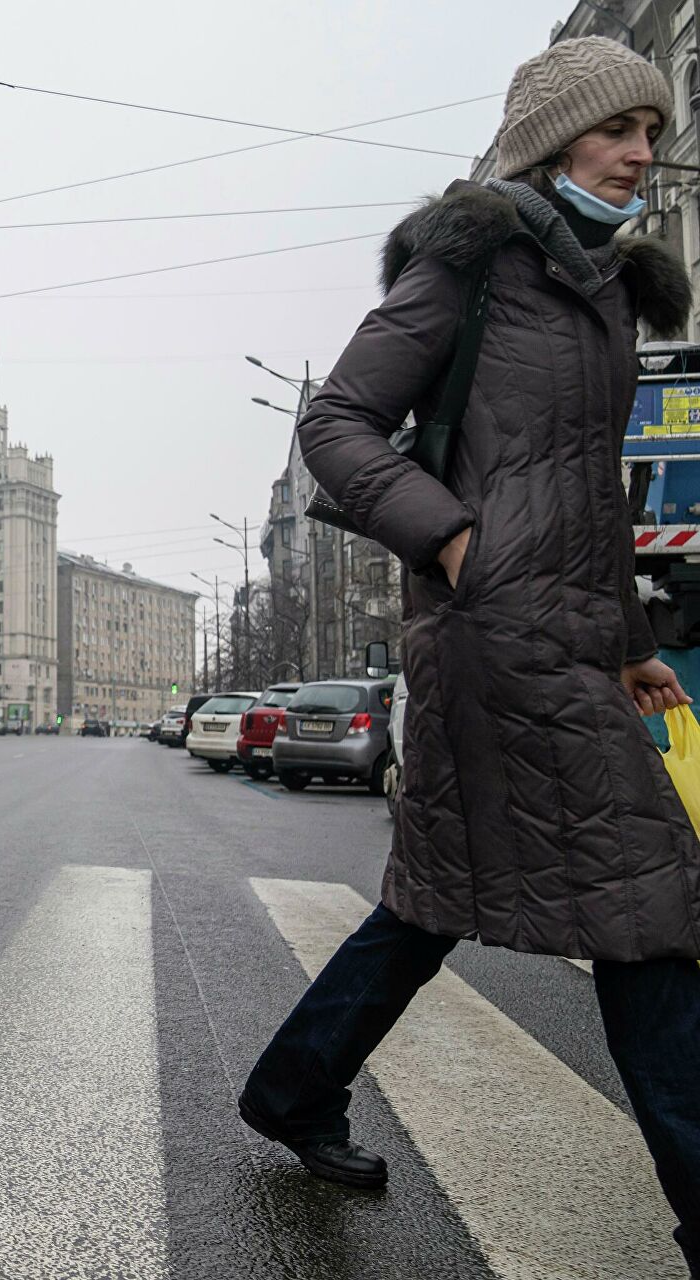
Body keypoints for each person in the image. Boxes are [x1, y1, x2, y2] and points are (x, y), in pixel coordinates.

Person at [237, 37, 700, 1270]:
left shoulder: (601, 291)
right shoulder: (475, 267)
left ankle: (293, 1087)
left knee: (430, 902)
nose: (645, 157)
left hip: (559, 639)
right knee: (646, 902)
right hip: (492, 635)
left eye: (655, 133)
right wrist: (449, 541)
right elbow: (335, 422)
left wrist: (632, 644)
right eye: (622, 132)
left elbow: (588, 495)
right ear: (554, 140)